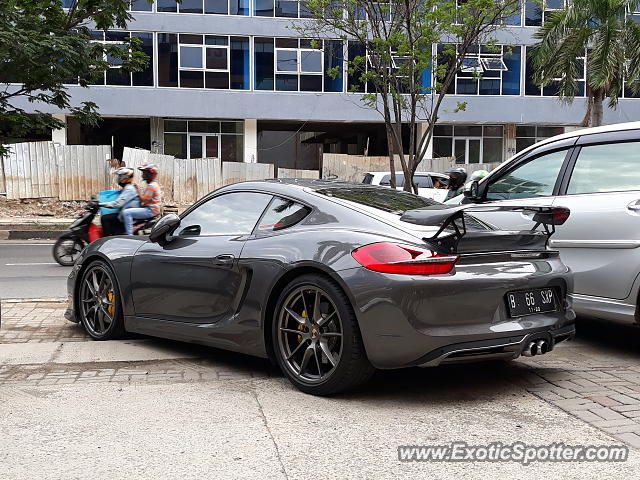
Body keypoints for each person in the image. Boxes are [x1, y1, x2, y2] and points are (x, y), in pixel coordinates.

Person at [120, 164, 162, 235]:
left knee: (126, 213)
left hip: (151, 210)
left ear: (150, 174)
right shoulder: (152, 185)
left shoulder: (152, 186)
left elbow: (144, 200)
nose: (143, 175)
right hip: (151, 209)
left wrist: (137, 190)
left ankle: (129, 235)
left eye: (145, 173)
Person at [99, 167, 140, 236]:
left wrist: (100, 204)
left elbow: (117, 204)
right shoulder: (127, 188)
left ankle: (107, 239)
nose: (118, 178)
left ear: (125, 178)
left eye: (120, 176)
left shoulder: (129, 189)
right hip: (125, 213)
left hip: (129, 216)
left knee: (105, 218)